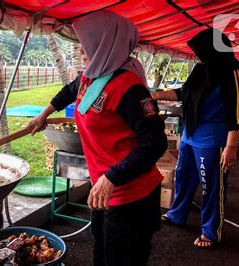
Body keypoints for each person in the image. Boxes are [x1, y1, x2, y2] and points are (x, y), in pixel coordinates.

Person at [28, 11, 167, 266]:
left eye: (88, 43)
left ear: (106, 45)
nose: (81, 50)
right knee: (102, 252)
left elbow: (156, 142)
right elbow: (70, 90)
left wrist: (112, 177)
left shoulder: (130, 87)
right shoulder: (92, 76)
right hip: (105, 188)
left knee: (122, 257)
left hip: (131, 195)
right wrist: (44, 114)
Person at [152, 28, 239, 248]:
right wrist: (157, 95)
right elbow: (184, 92)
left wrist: (231, 146)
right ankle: (177, 214)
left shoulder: (233, 71)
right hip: (190, 134)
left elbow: (238, 111)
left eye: (200, 51)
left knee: (211, 186)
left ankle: (211, 231)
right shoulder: (201, 69)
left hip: (213, 139)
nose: (197, 56)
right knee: (183, 178)